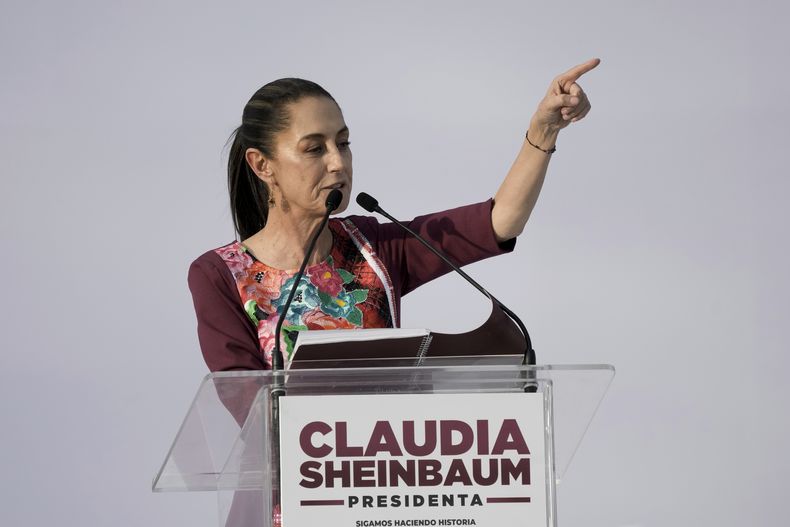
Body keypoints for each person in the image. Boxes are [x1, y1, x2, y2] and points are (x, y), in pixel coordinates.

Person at [188, 59, 599, 373]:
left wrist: (544, 132)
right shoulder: (219, 276)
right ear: (262, 165)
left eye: (343, 143)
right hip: (289, 484)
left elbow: (499, 222)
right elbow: (245, 407)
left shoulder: (373, 249)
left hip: (380, 482)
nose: (337, 163)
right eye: (315, 149)